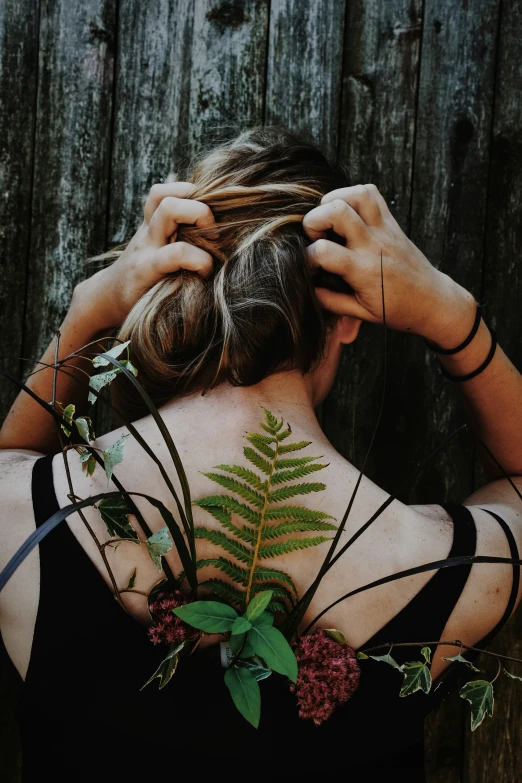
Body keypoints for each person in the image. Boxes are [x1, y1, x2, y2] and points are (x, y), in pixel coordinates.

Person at [0, 127, 520, 781]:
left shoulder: (20, 515)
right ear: (352, 314)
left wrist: (87, 311)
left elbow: (15, 451)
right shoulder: (447, 570)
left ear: (167, 294)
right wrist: (453, 315)